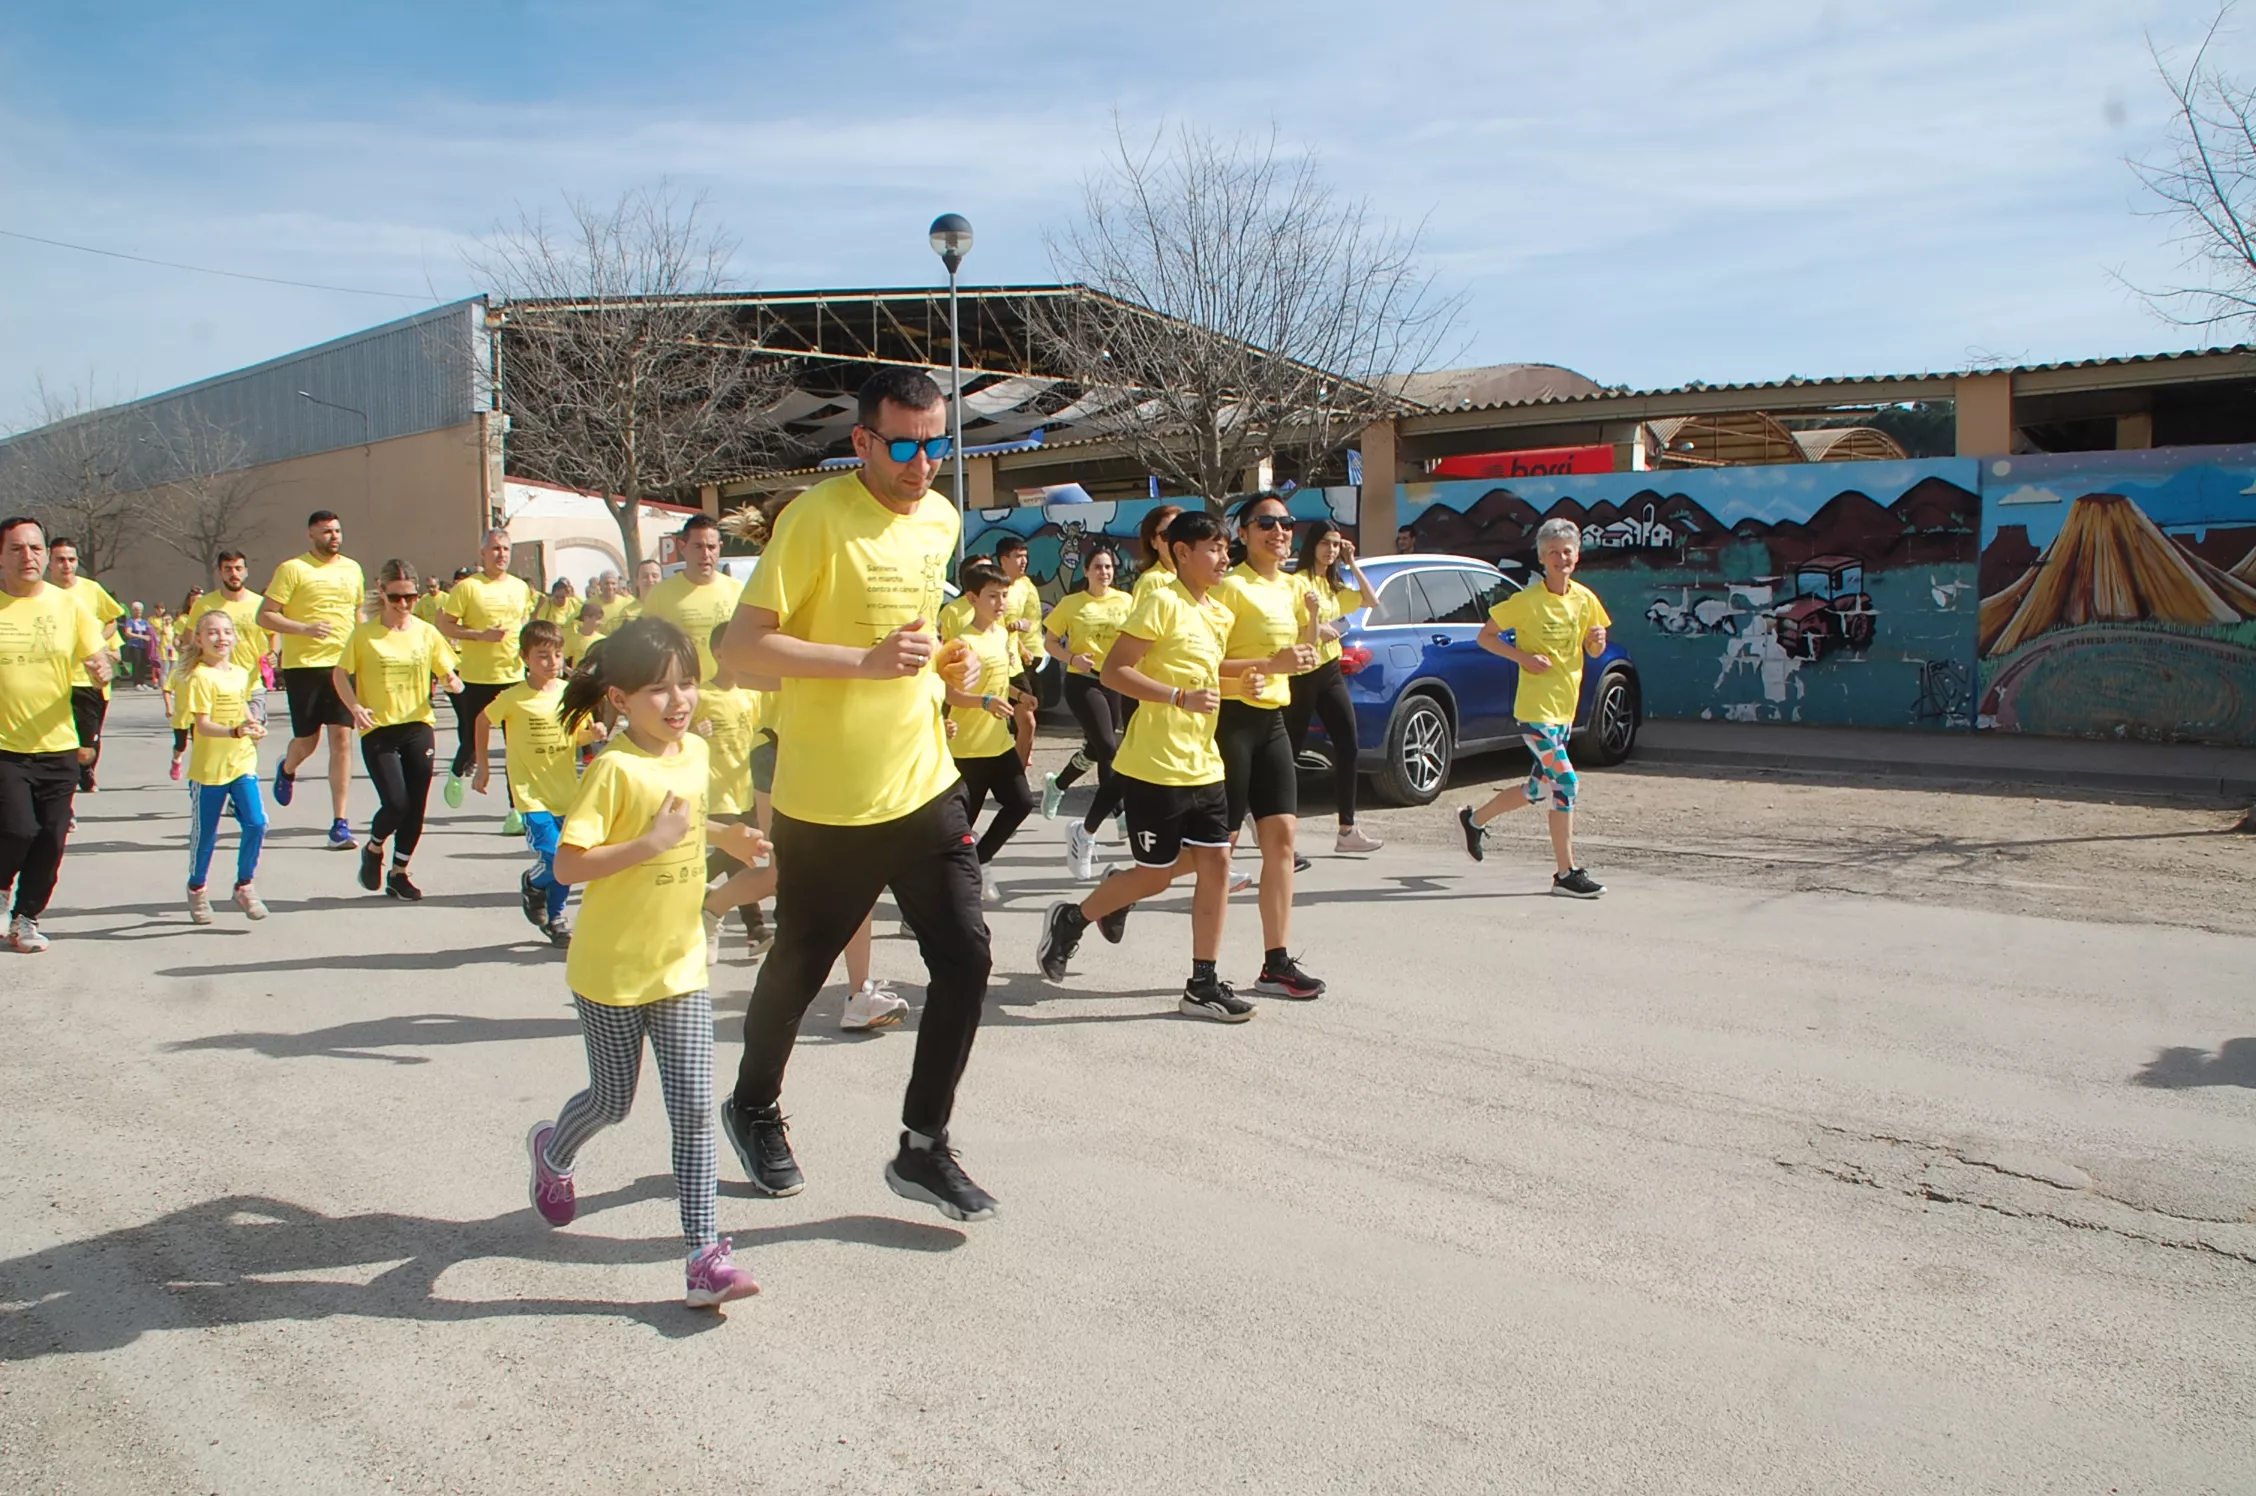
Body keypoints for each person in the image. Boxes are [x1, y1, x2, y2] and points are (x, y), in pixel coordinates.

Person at [716, 366, 998, 1222]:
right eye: (905, 445)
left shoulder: (942, 518)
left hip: (922, 785)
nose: (923, 464)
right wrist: (862, 665)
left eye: (937, 443)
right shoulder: (814, 523)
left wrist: (957, 660)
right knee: (798, 968)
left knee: (966, 959)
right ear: (863, 442)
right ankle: (753, 1107)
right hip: (828, 799)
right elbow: (741, 653)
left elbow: (916, 628)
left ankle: (922, 1146)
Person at [525, 616, 763, 1310]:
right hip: (609, 972)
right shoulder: (612, 769)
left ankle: (704, 1254)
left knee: (691, 1108)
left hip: (680, 963)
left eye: (686, 682)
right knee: (612, 1101)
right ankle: (553, 1152)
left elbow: (681, 818)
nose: (680, 699)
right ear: (620, 700)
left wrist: (728, 835)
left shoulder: (691, 751)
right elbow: (566, 866)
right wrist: (653, 843)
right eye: (660, 689)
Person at [1035, 509, 1263, 1021]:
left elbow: (1203, 676)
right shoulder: (1159, 601)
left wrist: (1237, 683)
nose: (1225, 556)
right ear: (1181, 553)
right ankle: (1073, 918)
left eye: (1227, 547)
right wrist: (1178, 697)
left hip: (1204, 763)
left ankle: (1202, 982)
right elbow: (1116, 672)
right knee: (1155, 877)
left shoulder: (1218, 612)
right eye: (1215, 548)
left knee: (1218, 862)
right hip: (1154, 766)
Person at [1211, 493, 1328, 999]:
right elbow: (1202, 663)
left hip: (1272, 722)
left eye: (1285, 523)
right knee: (1217, 853)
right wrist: (1258, 670)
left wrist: (1313, 621)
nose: (1279, 531)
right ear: (1242, 533)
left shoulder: (1297, 586)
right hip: (1229, 723)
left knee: (1281, 842)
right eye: (1266, 523)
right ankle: (1109, 900)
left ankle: (1275, 962)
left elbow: (1301, 657)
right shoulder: (1229, 588)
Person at [1457, 517, 1612, 898]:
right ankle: (1566, 873)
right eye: (1553, 552)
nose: (1561, 558)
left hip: (1565, 709)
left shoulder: (1585, 598)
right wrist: (1522, 657)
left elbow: (1594, 650)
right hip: (1535, 711)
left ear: (1576, 556)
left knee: (1535, 788)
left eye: (1567, 552)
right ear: (1542, 557)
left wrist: (1598, 640)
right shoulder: (1526, 602)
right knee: (1566, 785)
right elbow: (1486, 637)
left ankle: (1474, 820)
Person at [0, 517, 111, 954]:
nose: (28, 557)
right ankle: (2, 888)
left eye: (35, 548)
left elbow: (96, 656)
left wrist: (102, 666)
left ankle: (26, 918)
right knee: (18, 829)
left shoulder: (69, 607)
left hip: (58, 744)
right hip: (5, 747)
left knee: (52, 834)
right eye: (16, 549)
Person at [1063, 505, 1182, 881]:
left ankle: (1202, 851)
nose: (1174, 538)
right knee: (1124, 766)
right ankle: (1086, 832)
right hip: (1149, 691)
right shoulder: (1152, 584)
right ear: (1154, 541)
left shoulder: (1189, 580)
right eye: (1165, 533)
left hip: (1185, 694)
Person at [333, 560, 461, 901]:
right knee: (395, 802)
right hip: (378, 728)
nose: (404, 605)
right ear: (383, 592)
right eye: (396, 598)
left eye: (411, 597)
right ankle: (374, 849)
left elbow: (447, 670)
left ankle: (399, 872)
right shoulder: (364, 635)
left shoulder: (425, 632)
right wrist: (355, 707)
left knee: (416, 805)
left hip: (418, 725)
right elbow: (339, 674)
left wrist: (452, 681)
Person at [478, 619, 595, 947]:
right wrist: (483, 766)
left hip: (567, 794)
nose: (553, 662)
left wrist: (594, 734)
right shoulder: (513, 698)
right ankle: (533, 882)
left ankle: (556, 917)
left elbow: (578, 735)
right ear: (524, 658)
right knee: (553, 856)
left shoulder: (569, 694)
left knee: (567, 861)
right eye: (543, 655)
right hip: (532, 796)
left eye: (557, 654)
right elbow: (482, 721)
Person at [261, 511, 367, 852]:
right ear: (311, 535)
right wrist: (305, 629)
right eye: (326, 532)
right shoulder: (293, 569)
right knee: (307, 742)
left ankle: (340, 822)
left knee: (342, 740)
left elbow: (358, 613)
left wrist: (363, 650)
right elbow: (265, 614)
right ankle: (288, 767)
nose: (333, 536)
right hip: (304, 666)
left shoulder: (352, 569)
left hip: (341, 665)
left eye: (337, 530)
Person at [1285, 521, 1384, 855]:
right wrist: (1315, 625)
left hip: (1329, 670)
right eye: (1326, 543)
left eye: (1337, 544)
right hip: (1300, 672)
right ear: (1312, 544)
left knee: (1348, 743)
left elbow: (1372, 601)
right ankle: (1268, 817)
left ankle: (1347, 828)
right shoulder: (1297, 583)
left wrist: (1353, 563)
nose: (1331, 550)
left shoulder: (1334, 583)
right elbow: (1288, 626)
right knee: (1288, 751)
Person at [944, 558, 1037, 903]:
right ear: (972, 599)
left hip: (998, 744)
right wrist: (984, 702)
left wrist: (1019, 695)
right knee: (957, 829)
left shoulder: (1001, 635)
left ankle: (980, 861)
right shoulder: (961, 643)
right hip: (967, 750)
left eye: (1004, 596)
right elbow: (948, 692)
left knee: (1022, 803)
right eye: (993, 597)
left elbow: (1000, 680)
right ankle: (929, 899)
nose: (1001, 604)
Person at [438, 529, 538, 820]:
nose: (501, 554)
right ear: (482, 554)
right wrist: (481, 636)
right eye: (495, 549)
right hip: (477, 677)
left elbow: (522, 625)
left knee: (516, 747)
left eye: (506, 549)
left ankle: (514, 810)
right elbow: (446, 626)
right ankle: (457, 773)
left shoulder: (520, 588)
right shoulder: (468, 588)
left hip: (513, 676)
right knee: (470, 741)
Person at [180, 611, 270, 925]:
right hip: (209, 769)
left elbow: (241, 705)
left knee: (257, 823)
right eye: (213, 633)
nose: (221, 638)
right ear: (200, 640)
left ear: (234, 638)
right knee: (206, 834)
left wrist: (251, 724)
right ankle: (197, 888)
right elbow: (203, 725)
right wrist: (233, 731)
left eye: (227, 632)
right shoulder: (200, 676)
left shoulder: (239, 672)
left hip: (241, 762)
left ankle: (244, 885)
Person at [1039, 547, 1129, 821]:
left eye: (1109, 567)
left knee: (1095, 748)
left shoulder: (1126, 601)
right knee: (1108, 747)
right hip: (1083, 682)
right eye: (1098, 567)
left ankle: (1058, 785)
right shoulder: (1071, 603)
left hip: (1114, 680)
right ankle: (1119, 812)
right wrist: (1073, 658)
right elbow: (1050, 643)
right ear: (1086, 571)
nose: (1104, 572)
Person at [177, 553, 273, 784]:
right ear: (220, 572)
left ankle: (242, 783)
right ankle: (209, 781)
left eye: (239, 568)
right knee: (217, 736)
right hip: (214, 684)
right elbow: (189, 639)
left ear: (246, 571)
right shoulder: (204, 604)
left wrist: (272, 654)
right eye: (228, 569)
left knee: (251, 733)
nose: (234, 574)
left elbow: (272, 634)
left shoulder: (259, 603)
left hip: (250, 683)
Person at [46, 537, 123, 793]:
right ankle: (64, 788)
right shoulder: (42, 594)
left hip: (90, 679)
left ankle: (87, 771)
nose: (66, 565)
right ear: (49, 562)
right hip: (56, 680)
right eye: (60, 560)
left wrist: (94, 642)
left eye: (71, 560)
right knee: (60, 738)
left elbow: (111, 620)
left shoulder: (91, 589)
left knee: (88, 743)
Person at [642, 515, 745, 683]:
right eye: (698, 546)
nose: (705, 554)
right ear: (682, 547)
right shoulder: (661, 594)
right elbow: (646, 650)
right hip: (684, 697)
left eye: (711, 547)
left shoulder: (738, 591)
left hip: (730, 699)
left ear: (719, 548)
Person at [993, 534, 1044, 764]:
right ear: (1003, 560)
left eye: (1025, 556)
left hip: (1018, 662)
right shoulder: (994, 587)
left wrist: (1023, 644)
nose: (1024, 561)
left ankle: (1018, 769)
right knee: (998, 716)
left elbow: (1022, 622)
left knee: (1029, 716)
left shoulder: (1025, 584)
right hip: (994, 662)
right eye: (1017, 557)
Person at [120, 603, 154, 690]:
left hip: (144, 646)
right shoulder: (130, 621)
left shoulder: (144, 621)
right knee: (137, 664)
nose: (138, 612)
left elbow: (150, 631)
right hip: (134, 645)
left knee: (143, 664)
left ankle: (142, 682)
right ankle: (136, 683)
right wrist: (142, 637)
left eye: (140, 610)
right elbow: (128, 633)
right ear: (133, 611)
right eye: (137, 610)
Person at [564, 600, 605, 670]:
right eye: (597, 619)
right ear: (586, 618)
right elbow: (562, 660)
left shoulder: (602, 640)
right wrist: (571, 673)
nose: (600, 623)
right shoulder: (574, 639)